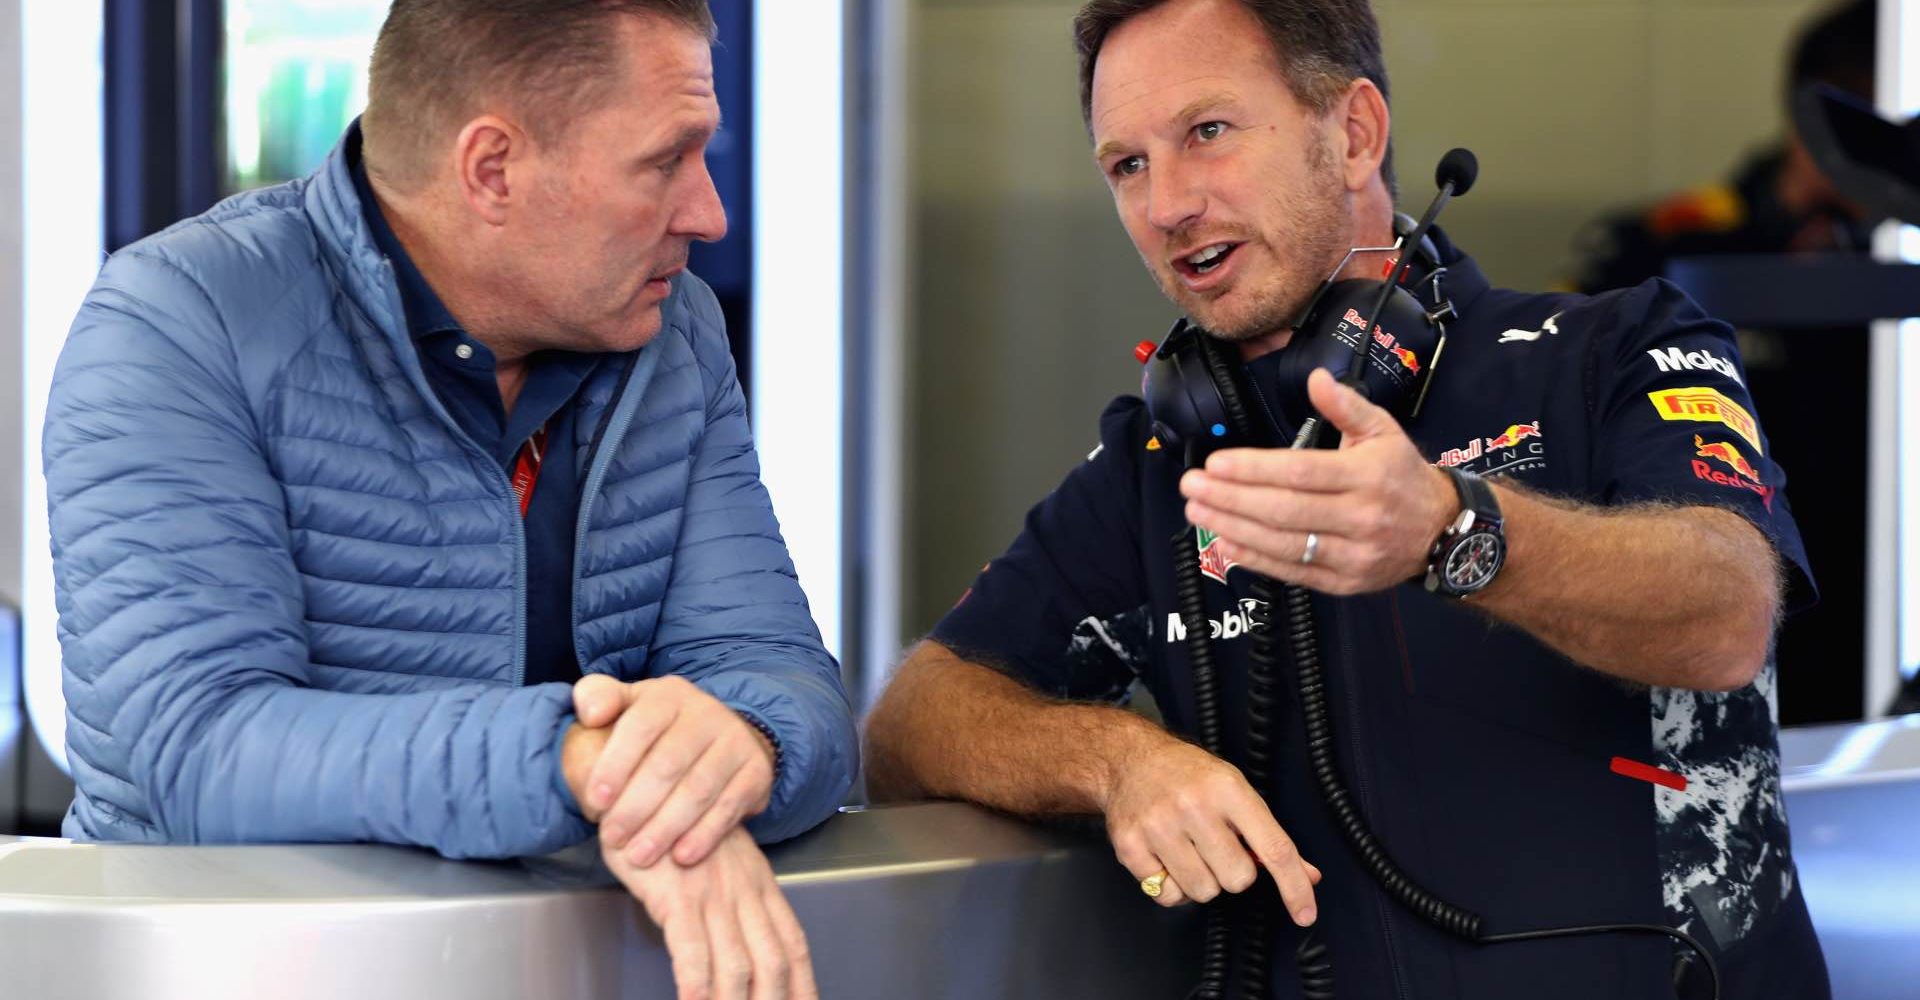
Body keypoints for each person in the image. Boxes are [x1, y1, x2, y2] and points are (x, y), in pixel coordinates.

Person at [865, 1, 1829, 997]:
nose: (1167, 205)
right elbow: (913, 722)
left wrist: (1460, 531)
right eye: (1127, 165)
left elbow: (1727, 610)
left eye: (1207, 133)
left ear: (1356, 131)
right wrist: (1115, 761)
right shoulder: (1160, 464)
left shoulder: (1614, 346)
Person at [44, 2, 853, 998]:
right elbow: (199, 746)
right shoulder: (178, 321)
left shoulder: (672, 333)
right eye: (665, 162)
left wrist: (735, 752)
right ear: (492, 170)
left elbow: (777, 677)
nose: (709, 213)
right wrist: (578, 764)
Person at [1572, 0, 1876, 725]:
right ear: (1821, 113)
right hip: (1716, 636)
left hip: (1882, 622)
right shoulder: (1672, 248)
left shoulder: (1896, 259)